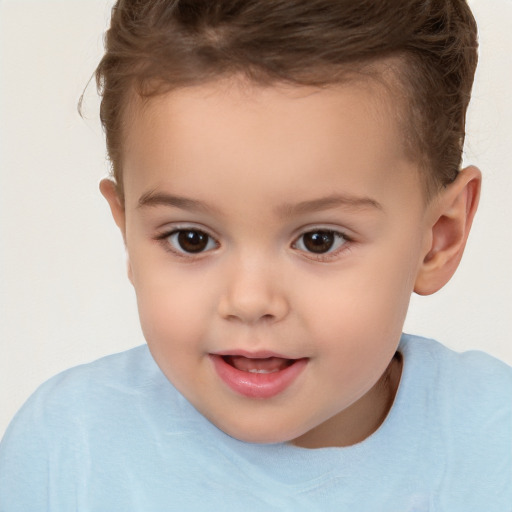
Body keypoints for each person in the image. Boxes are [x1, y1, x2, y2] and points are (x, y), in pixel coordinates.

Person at [0, 0, 510, 510]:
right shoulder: (66, 449)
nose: (249, 300)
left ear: (438, 238)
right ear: (128, 229)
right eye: (191, 239)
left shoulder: (494, 445)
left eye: (319, 240)